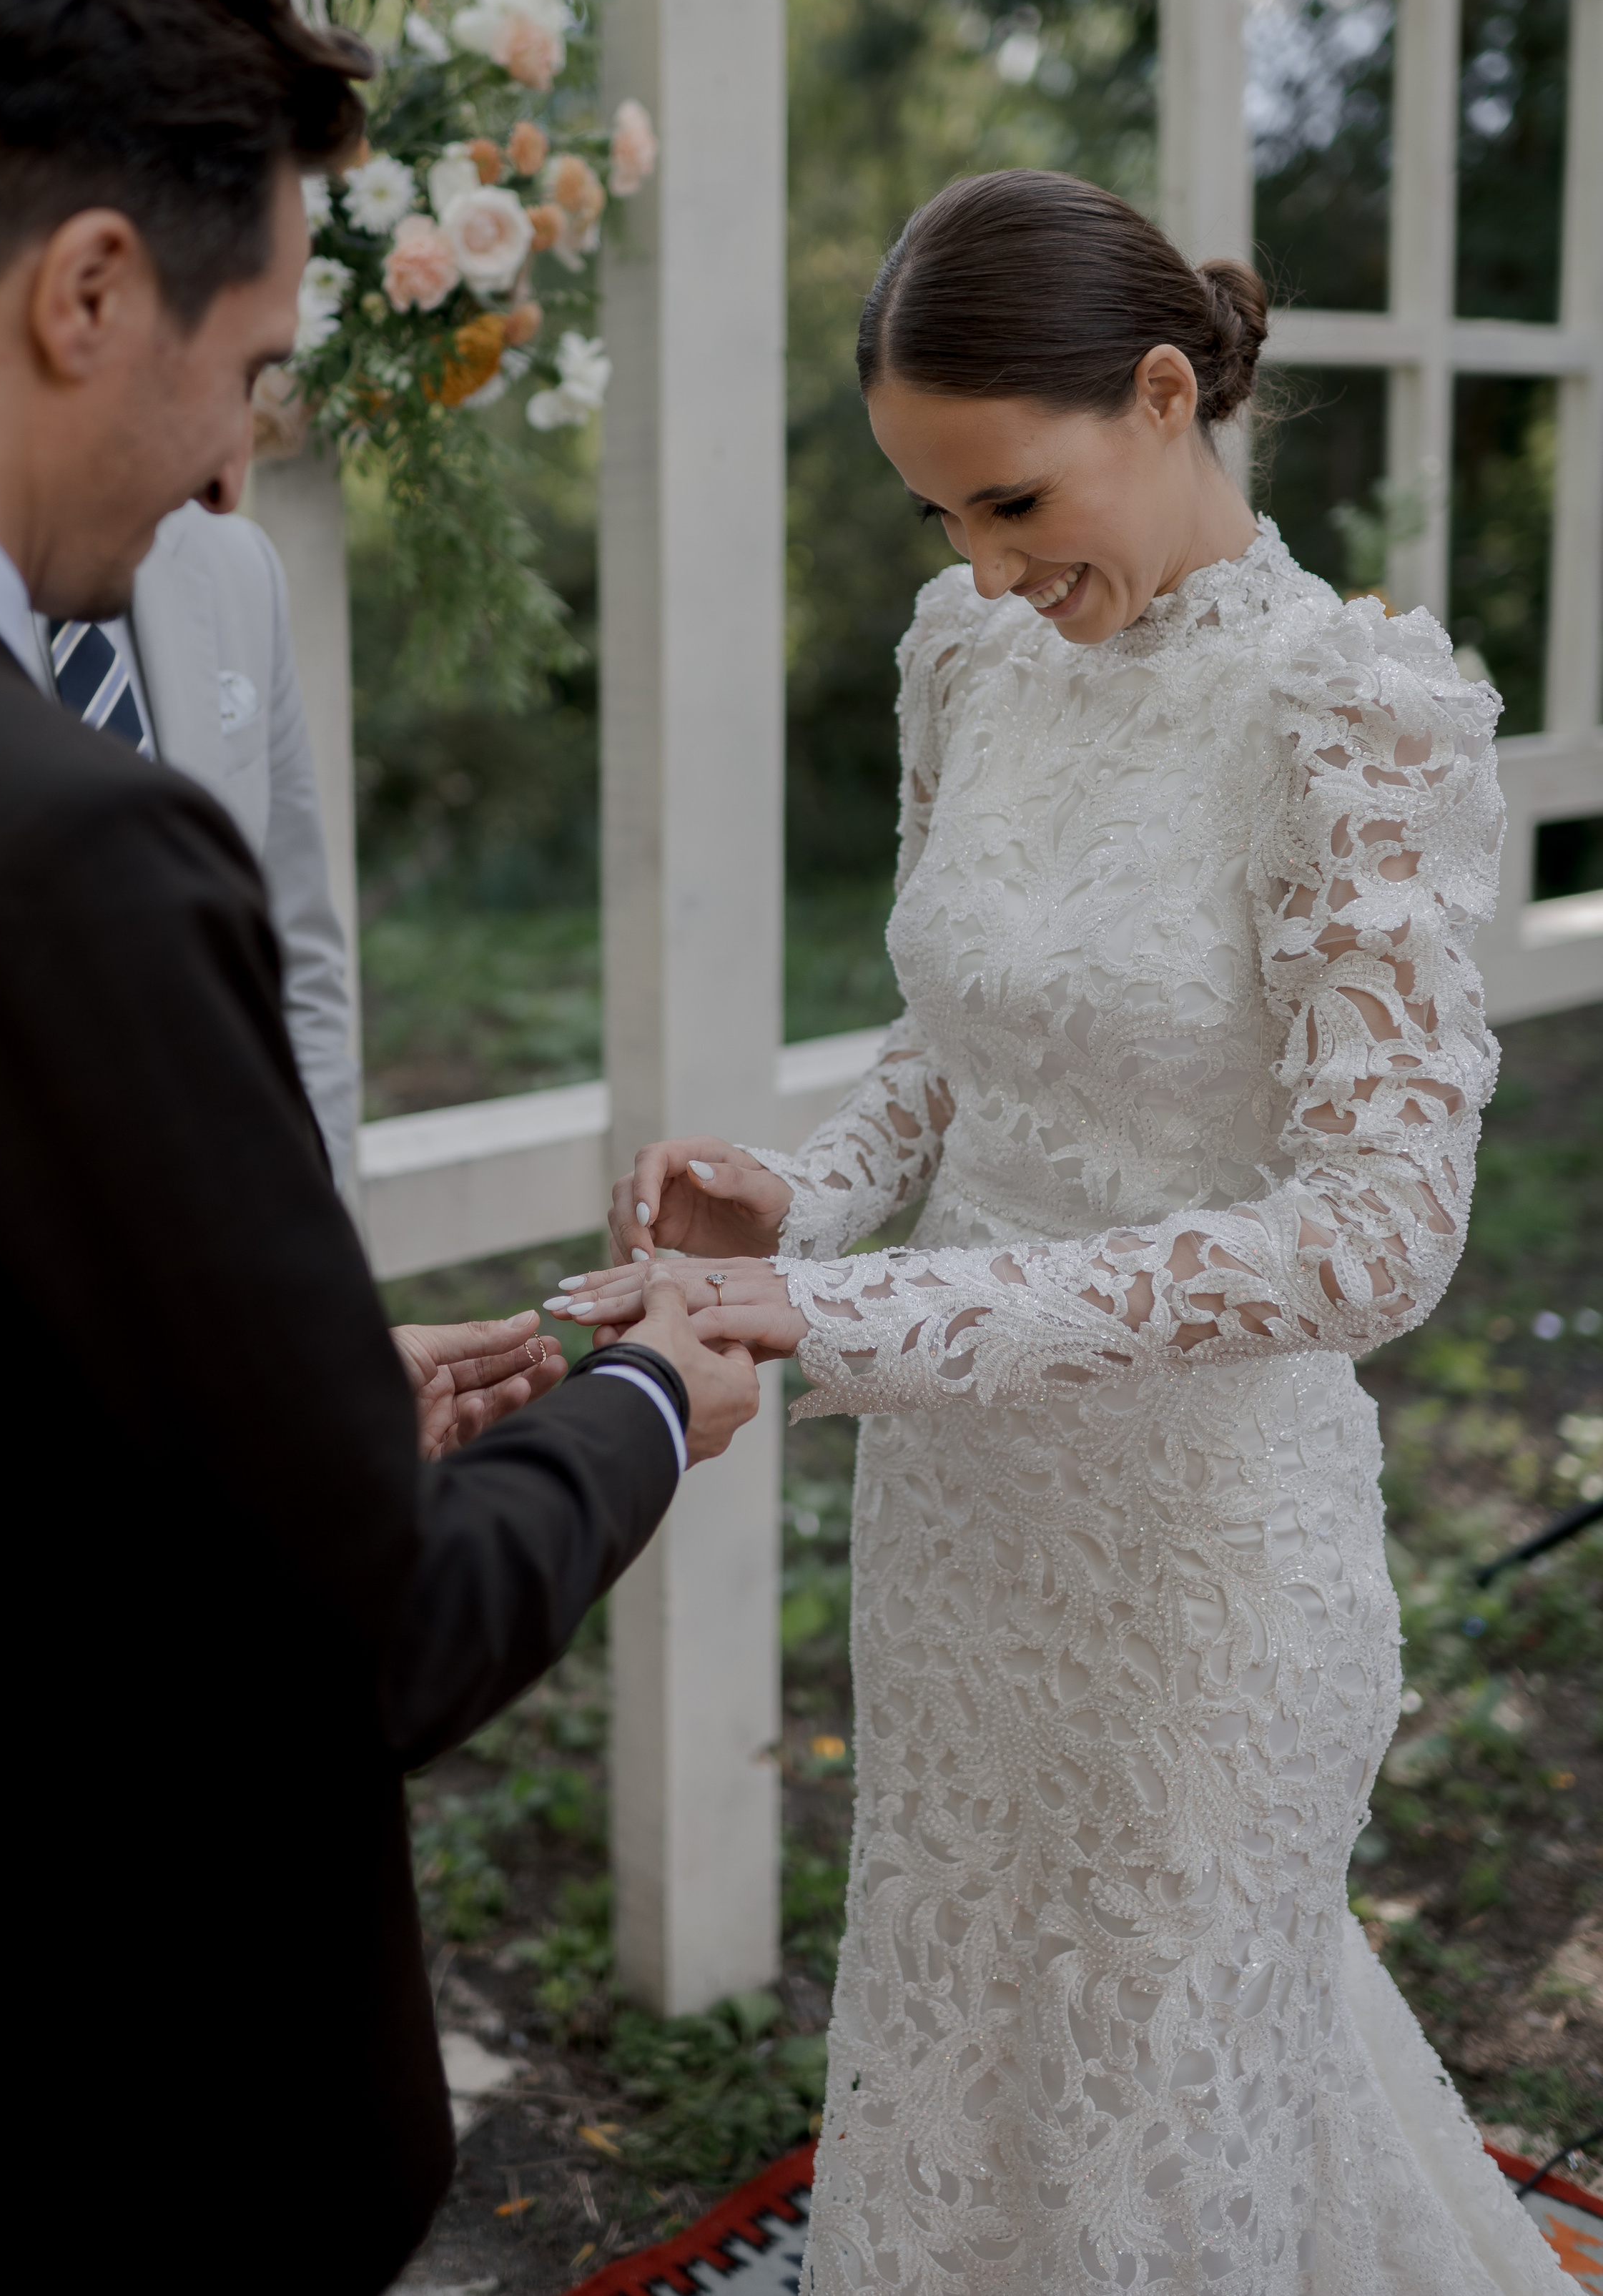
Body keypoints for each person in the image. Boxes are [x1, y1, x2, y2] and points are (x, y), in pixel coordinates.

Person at [0, 0, 757, 2293]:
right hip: (82, 2093)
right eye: (253, 362)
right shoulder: (59, 847)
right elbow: (365, 1638)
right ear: (91, 291)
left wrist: (265, 1395)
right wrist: (646, 1402)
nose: (238, 459)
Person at [556, 174, 1559, 2292]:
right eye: (940, 517)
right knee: (974, 2041)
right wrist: (809, 1195)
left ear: (1165, 394)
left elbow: (1376, 1231)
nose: (988, 571)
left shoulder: (1350, 713)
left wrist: (855, 1309)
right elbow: (957, 1040)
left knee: (1163, 2112)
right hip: (962, 1536)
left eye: (1009, 501)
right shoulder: (970, 659)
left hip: (1201, 1559)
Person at [41, 454, 359, 1186]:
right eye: (233, 391)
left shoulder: (235, 562)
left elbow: (297, 952)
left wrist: (309, 1199)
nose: (232, 475)